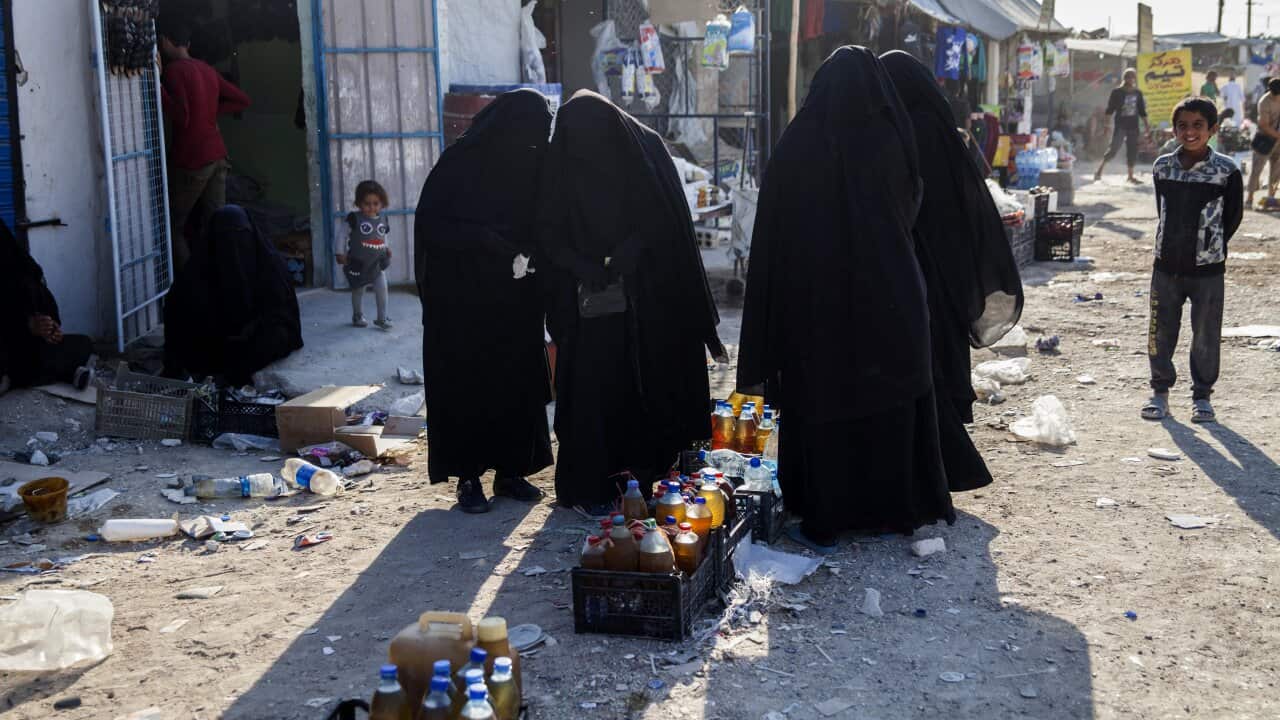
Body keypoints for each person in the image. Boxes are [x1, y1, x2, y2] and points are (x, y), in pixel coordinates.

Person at [737, 46, 955, 553]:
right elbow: (913, 203)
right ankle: (888, 512)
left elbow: (773, 229)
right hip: (892, 294)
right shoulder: (892, 137)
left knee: (824, 401)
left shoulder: (799, 142)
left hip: (818, 303)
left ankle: (825, 516)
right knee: (887, 402)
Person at [536, 90, 726, 514]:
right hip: (584, 308)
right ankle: (589, 486)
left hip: (645, 303)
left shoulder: (644, 150)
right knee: (591, 393)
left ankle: (641, 475)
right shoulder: (560, 161)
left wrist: (631, 251)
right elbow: (546, 232)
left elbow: (667, 220)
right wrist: (582, 265)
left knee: (637, 386)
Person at [881, 51, 1024, 493]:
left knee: (927, 357)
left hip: (922, 261)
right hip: (947, 262)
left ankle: (936, 456)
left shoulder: (910, 131)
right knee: (941, 350)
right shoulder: (941, 128)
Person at [414, 90, 554, 513]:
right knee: (469, 384)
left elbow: (544, 219)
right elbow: (432, 227)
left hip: (515, 299)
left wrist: (531, 253)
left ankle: (511, 472)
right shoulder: (458, 165)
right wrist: (484, 242)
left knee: (515, 381)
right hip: (463, 301)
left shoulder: (533, 165)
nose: (534, 142)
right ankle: (468, 477)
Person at [1141, 98, 1242, 424]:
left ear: (1212, 129)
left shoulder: (1227, 171)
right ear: (1174, 129)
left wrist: (1210, 246)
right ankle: (1160, 392)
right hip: (1166, 266)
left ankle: (1202, 397)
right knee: (1161, 331)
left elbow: (1232, 218)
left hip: (1207, 271)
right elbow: (1162, 211)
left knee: (1205, 334)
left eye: (1198, 125)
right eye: (1183, 125)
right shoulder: (1163, 167)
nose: (1190, 132)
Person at [163, 205, 303, 386]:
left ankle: (228, 370)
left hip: (252, 336)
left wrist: (251, 329)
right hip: (215, 341)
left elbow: (283, 314)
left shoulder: (270, 265)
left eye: (239, 234)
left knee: (276, 337)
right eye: (224, 237)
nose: (233, 246)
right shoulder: (196, 272)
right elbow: (177, 311)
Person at [159, 21, 251, 270]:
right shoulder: (207, 70)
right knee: (218, 225)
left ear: (165, 42)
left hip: (192, 159)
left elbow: (182, 117)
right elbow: (242, 100)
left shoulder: (173, 71)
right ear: (188, 44)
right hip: (218, 157)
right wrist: (212, 114)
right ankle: (221, 281)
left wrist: (157, 86)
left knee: (173, 226)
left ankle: (192, 286)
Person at [0, 220, 95, 396]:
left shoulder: (19, 269)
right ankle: (65, 373)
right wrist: (26, 325)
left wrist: (51, 327)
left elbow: (38, 294)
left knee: (84, 343)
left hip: (23, 349)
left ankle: (62, 372)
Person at [337, 180, 393, 329]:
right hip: (358, 263)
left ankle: (382, 318)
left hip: (377, 263)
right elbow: (342, 235)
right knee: (358, 290)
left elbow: (383, 235)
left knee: (382, 289)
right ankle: (357, 315)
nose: (371, 207)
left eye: (376, 203)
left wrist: (387, 248)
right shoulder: (354, 218)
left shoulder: (383, 218)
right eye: (367, 203)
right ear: (358, 203)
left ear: (382, 203)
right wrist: (339, 252)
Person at [1094, 68, 1150, 184]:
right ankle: (1099, 170)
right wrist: (1106, 125)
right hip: (1121, 125)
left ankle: (1130, 176)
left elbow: (1142, 111)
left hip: (1133, 126)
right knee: (1113, 149)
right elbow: (1110, 110)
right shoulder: (1117, 92)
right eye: (1128, 77)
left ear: (1135, 78)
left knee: (1132, 150)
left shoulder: (1138, 93)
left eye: (1132, 77)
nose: (1130, 79)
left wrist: (1147, 126)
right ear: (1124, 78)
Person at [1247, 77, 1280, 209]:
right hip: (1264, 140)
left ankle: (1271, 199)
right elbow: (1264, 125)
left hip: (1278, 142)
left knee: (1277, 171)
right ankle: (1249, 199)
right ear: (1271, 91)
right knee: (1257, 169)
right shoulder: (1264, 102)